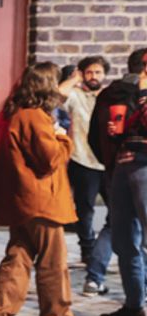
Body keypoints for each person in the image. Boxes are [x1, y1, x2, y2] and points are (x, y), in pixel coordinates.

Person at [0, 63, 92, 316]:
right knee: (53, 262)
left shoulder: (11, 113)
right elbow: (49, 159)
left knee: (18, 257)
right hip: (41, 200)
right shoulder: (35, 117)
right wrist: (62, 138)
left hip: (22, 199)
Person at [100, 48, 147, 316]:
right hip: (125, 165)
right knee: (123, 238)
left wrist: (143, 93)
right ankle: (134, 305)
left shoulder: (141, 93)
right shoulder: (129, 93)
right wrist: (116, 133)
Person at [64, 56, 114, 296]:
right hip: (83, 159)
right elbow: (57, 96)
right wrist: (72, 79)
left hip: (108, 162)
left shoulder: (111, 96)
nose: (94, 76)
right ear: (83, 74)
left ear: (105, 74)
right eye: (89, 72)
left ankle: (102, 252)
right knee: (84, 210)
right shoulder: (75, 95)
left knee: (117, 211)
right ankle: (87, 251)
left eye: (98, 72)